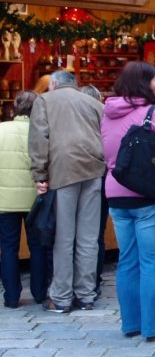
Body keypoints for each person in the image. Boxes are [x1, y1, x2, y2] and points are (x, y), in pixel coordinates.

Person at [100, 61, 155, 341]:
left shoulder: (107, 113)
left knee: (128, 261)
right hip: (151, 195)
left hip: (117, 193)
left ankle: (132, 324)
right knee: (152, 262)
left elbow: (107, 154)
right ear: (145, 83)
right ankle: (154, 326)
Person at [29, 70, 104, 313]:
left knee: (63, 237)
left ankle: (61, 297)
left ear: (53, 84)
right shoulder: (94, 102)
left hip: (63, 172)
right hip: (93, 169)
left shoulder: (44, 100)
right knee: (88, 238)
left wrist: (39, 173)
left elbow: (39, 138)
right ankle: (86, 295)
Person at [0, 91, 49, 308]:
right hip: (35, 199)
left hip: (5, 199)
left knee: (8, 248)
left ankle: (11, 297)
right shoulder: (42, 132)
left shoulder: (1, 130)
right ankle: (39, 293)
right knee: (37, 246)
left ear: (15, 108)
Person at [79, 84, 108, 299]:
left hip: (73, 179)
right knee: (96, 233)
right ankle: (93, 280)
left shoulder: (73, 122)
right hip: (101, 178)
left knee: (72, 234)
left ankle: (79, 280)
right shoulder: (105, 122)